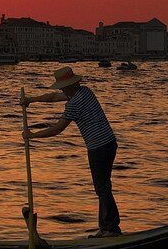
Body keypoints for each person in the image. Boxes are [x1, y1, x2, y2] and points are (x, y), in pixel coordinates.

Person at [22, 66, 122, 237]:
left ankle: (111, 228)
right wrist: (31, 100)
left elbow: (57, 129)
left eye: (62, 86)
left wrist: (32, 135)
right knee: (103, 187)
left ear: (68, 86)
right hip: (109, 143)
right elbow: (53, 97)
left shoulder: (74, 104)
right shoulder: (85, 91)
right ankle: (106, 227)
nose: (60, 89)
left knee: (102, 188)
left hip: (99, 147)